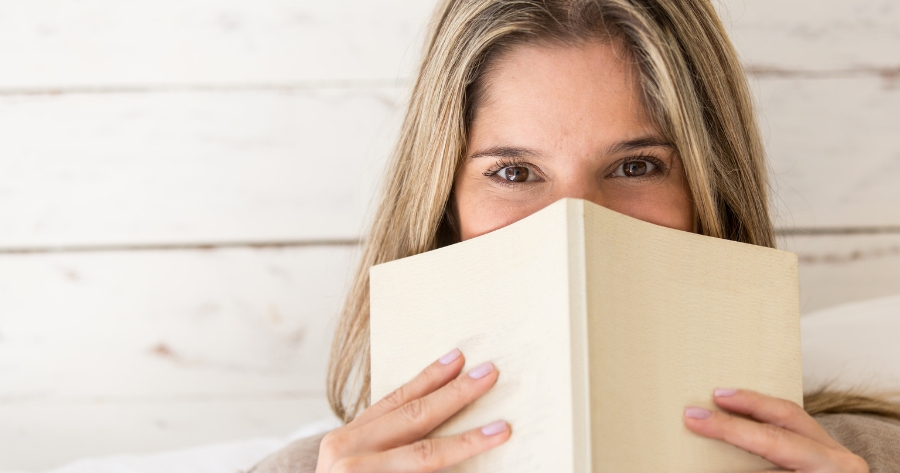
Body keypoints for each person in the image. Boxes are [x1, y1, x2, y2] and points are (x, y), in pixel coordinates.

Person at [250, 0, 900, 471]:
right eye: (514, 172)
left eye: (636, 166)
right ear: (444, 205)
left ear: (712, 193)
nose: (574, 223)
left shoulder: (865, 458)